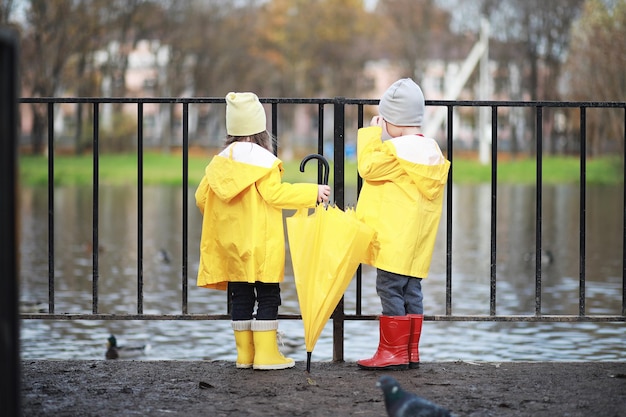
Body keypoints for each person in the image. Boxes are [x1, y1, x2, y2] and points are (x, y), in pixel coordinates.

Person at [195, 92, 331, 370]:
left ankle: (245, 356)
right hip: (261, 245)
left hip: (231, 248)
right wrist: (312, 192)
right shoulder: (264, 162)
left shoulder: (219, 163)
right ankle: (267, 356)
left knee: (241, 296)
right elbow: (276, 194)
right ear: (261, 130)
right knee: (269, 295)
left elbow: (201, 198)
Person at [355, 78, 450, 370]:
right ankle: (410, 351)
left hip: (395, 241)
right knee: (412, 291)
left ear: (392, 120)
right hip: (417, 244)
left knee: (389, 290)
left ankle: (392, 352)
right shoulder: (431, 152)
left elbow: (367, 167)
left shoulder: (395, 152)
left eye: (386, 120)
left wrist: (372, 134)